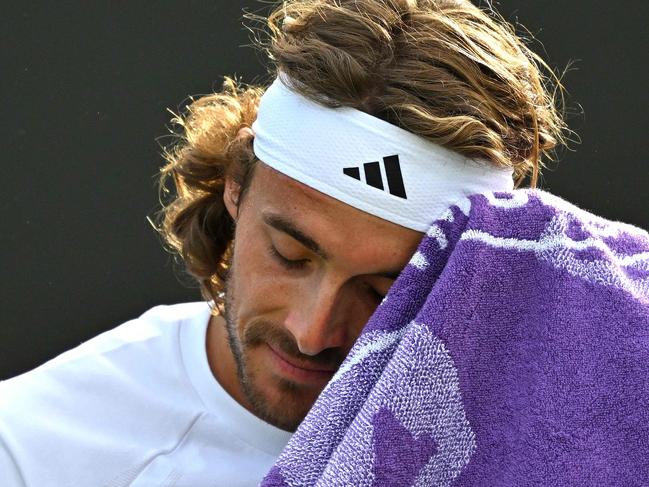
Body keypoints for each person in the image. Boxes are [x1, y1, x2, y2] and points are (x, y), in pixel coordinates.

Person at [0, 0, 570, 485]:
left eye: (383, 290)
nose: (312, 331)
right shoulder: (29, 451)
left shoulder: (565, 437)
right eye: (291, 255)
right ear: (235, 183)